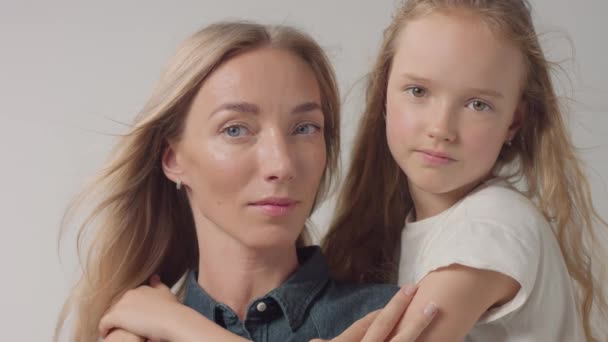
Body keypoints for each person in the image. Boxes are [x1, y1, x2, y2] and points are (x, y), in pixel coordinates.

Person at [55, 21, 437, 342]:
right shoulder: (130, 333)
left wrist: (184, 327)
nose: (281, 164)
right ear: (173, 159)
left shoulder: (393, 319)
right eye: (236, 129)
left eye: (304, 128)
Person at [323, 0, 608, 341]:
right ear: (384, 93)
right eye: (418, 91)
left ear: (513, 122)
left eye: (478, 104)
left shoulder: (490, 227)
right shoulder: (424, 227)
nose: (442, 128)